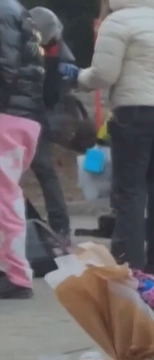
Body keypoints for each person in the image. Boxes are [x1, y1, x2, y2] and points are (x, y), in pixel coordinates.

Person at [68, 0, 154, 280]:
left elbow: (104, 73)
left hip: (135, 110)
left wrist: (79, 78)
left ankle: (129, 265)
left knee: (130, 191)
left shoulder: (118, 22)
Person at [0, 0, 44, 299]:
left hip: (7, 112)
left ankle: (16, 275)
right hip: (21, 114)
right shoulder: (12, 10)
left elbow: (4, 66)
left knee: (4, 197)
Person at [25, 6, 72, 240]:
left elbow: (51, 96)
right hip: (29, 115)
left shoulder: (59, 58)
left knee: (44, 170)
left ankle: (60, 226)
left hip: (39, 118)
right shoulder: (37, 48)